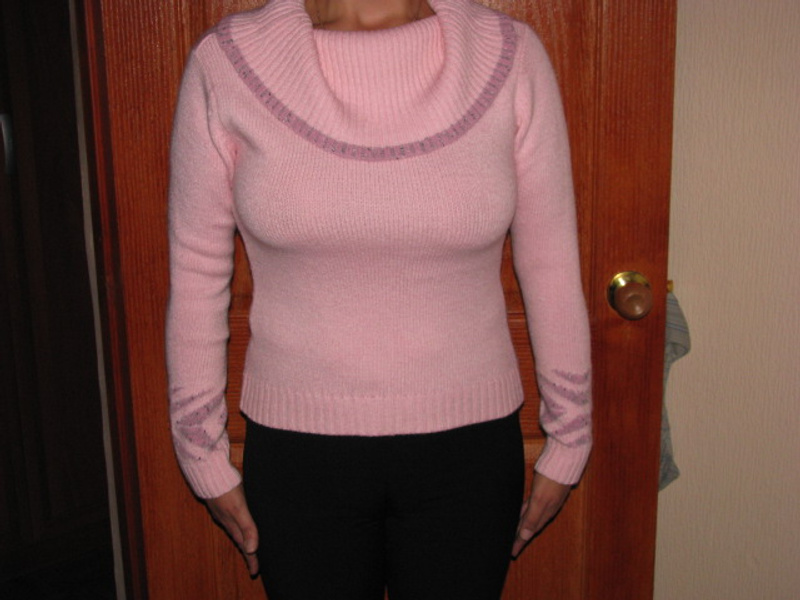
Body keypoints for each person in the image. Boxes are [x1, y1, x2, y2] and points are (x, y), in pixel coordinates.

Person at [166, 0, 592, 598]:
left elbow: (551, 261)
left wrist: (570, 437)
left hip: (470, 457)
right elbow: (196, 267)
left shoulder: (507, 54)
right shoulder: (229, 62)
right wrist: (200, 453)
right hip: (298, 460)